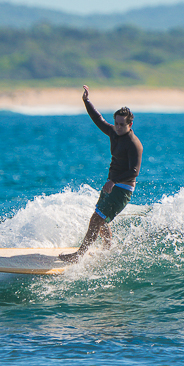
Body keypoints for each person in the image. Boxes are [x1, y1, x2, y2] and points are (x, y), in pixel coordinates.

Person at [60, 85, 142, 262]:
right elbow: (98, 119)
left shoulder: (134, 144)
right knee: (102, 219)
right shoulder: (114, 132)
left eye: (122, 124)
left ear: (130, 124)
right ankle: (107, 250)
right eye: (116, 123)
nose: (118, 127)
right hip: (112, 184)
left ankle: (79, 255)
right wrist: (86, 101)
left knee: (96, 219)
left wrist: (113, 181)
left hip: (123, 188)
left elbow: (134, 171)